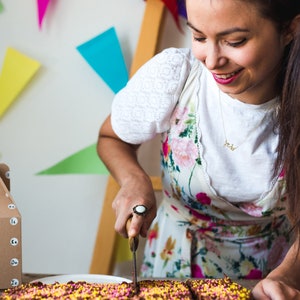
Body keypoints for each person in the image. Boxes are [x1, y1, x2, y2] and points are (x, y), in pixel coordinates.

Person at [97, 0, 300, 298]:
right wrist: (133, 180)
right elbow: (111, 138)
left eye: (235, 41)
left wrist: (288, 275)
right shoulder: (176, 75)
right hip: (174, 266)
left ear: (289, 29)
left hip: (275, 275)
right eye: (200, 37)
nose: (213, 60)